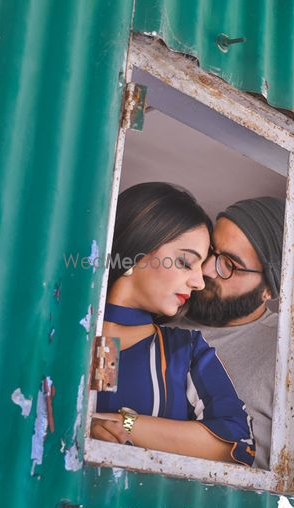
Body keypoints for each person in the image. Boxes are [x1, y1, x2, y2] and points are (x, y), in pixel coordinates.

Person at [92, 182, 255, 465]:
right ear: (136, 250)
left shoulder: (186, 350)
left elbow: (239, 445)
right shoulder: (58, 333)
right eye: (185, 262)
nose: (199, 282)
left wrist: (125, 423)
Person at [182, 196, 294, 480]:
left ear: (269, 290)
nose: (206, 269)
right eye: (210, 251)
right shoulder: (163, 310)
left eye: (229, 265)